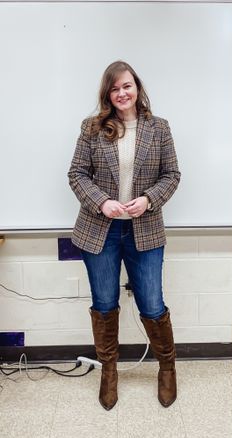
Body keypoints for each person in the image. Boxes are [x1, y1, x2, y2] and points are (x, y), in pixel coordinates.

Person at [68, 61, 181, 411]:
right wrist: (102, 203)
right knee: (104, 304)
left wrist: (148, 199)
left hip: (144, 230)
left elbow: (172, 175)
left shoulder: (159, 128)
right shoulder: (92, 128)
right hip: (99, 231)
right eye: (115, 88)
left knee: (152, 303)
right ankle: (109, 371)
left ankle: (167, 367)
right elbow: (76, 174)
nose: (122, 93)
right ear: (108, 94)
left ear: (137, 88)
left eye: (127, 86)